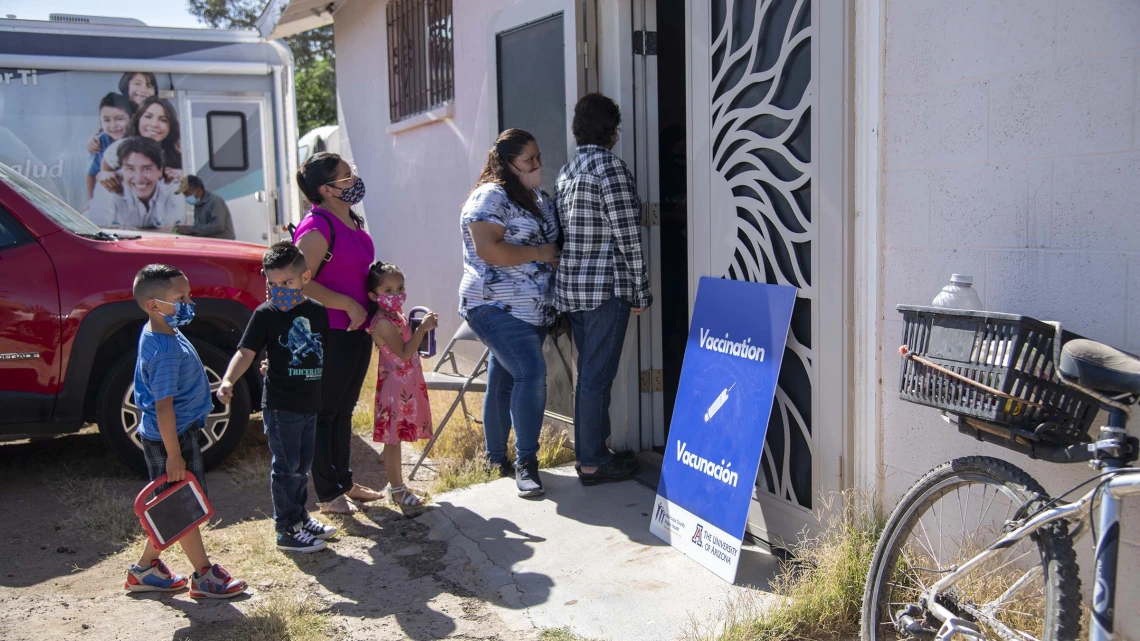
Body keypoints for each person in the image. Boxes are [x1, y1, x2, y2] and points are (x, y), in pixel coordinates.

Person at [126, 264, 248, 599]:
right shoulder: (164, 349)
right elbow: (163, 407)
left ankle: (144, 570)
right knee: (183, 508)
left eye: (188, 294)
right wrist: (174, 455)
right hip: (171, 440)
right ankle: (204, 575)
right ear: (154, 305)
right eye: (181, 297)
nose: (189, 302)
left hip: (175, 435)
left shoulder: (161, 330)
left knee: (175, 506)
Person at [555, 93, 652, 486]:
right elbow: (628, 234)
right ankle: (592, 461)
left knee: (589, 375)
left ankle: (596, 451)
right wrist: (642, 291)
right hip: (604, 289)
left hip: (574, 289)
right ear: (611, 130)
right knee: (596, 376)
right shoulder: (610, 168)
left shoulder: (568, 170)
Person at [217, 242, 337, 553]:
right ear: (265, 279)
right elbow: (246, 352)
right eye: (273, 283)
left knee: (302, 465)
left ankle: (299, 517)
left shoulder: (317, 312)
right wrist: (229, 379)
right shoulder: (265, 314)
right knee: (287, 468)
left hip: (310, 403)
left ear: (305, 278)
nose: (280, 289)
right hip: (281, 407)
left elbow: (320, 353)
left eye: (288, 283)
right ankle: (286, 529)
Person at [459, 129, 560, 498]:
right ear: (508, 164)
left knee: (504, 378)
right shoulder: (490, 196)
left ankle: (494, 459)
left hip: (533, 310)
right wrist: (539, 253)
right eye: (528, 160)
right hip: (493, 305)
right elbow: (488, 248)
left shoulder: (536, 198)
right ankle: (527, 464)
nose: (538, 165)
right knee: (530, 372)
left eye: (537, 157)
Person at [293, 152, 384, 514]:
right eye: (346, 177)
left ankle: (344, 481)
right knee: (325, 412)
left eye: (352, 172)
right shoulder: (316, 229)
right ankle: (328, 493)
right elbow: (298, 284)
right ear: (326, 190)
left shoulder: (350, 220)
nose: (354, 180)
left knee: (344, 410)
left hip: (357, 329)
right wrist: (346, 303)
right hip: (330, 330)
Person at [364, 261, 436, 509]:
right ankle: (396, 489)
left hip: (405, 384)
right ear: (374, 296)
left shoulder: (396, 316)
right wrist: (423, 329)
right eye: (388, 291)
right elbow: (404, 353)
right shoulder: (383, 322)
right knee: (392, 441)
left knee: (396, 440)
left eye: (400, 288)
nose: (396, 295)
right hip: (395, 388)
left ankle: (399, 486)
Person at [86, 137, 185, 230]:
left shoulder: (174, 188)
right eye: (130, 169)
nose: (139, 178)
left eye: (147, 169)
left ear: (160, 171)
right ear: (121, 170)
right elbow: (97, 230)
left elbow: (179, 230)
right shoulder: (109, 184)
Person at [97, 96, 183, 194]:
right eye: (148, 116)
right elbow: (104, 174)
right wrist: (104, 175)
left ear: (170, 125)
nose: (154, 124)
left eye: (163, 120)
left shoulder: (179, 150)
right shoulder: (119, 147)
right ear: (138, 119)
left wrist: (184, 175)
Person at [85, 73, 158, 157]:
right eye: (138, 83)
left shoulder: (157, 111)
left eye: (149, 86)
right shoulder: (119, 106)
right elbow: (105, 128)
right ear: (126, 85)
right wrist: (94, 139)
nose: (143, 89)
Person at [86, 93, 133, 201]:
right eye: (107, 120)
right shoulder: (100, 141)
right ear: (100, 122)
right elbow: (91, 175)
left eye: (119, 119)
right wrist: (90, 202)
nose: (113, 125)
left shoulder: (137, 138)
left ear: (131, 118)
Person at [174, 175, 236, 240]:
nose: (186, 197)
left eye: (187, 193)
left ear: (198, 190)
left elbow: (218, 226)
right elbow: (200, 228)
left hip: (222, 244)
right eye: (184, 194)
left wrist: (190, 229)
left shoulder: (214, 201)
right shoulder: (198, 205)